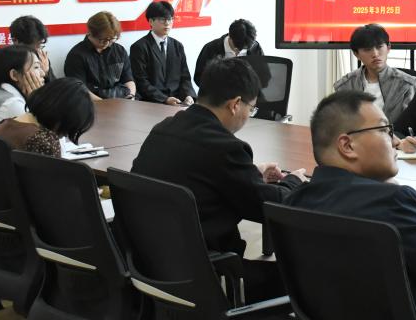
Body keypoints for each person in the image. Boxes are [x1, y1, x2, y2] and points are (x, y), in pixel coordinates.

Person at [285, 90, 416, 320]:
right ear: (347, 146)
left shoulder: (295, 201)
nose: (394, 141)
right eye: (384, 130)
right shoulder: (393, 203)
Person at [131, 58, 305, 300]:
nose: (249, 115)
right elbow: (268, 207)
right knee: (305, 277)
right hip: (207, 275)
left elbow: (205, 174)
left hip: (150, 265)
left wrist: (252, 172)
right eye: (251, 109)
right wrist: (294, 181)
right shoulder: (226, 148)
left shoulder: (164, 128)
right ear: (235, 104)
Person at [332, 23, 416, 124]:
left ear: (388, 48)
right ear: (356, 54)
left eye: (379, 47)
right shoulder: (345, 86)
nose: (375, 54)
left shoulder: (407, 85)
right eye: (368, 49)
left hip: (396, 134)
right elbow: (340, 123)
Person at [0, 77, 96, 157]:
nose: (64, 135)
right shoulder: (44, 141)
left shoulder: (5, 124)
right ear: (62, 117)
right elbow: (54, 177)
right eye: (68, 128)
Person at [129, 1, 196, 106]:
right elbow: (141, 82)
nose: (167, 23)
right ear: (151, 21)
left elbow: (185, 77)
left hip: (178, 101)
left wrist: (188, 95)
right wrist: (165, 99)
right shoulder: (139, 47)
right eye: (162, 19)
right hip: (152, 102)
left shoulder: (177, 46)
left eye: (170, 19)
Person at [64, 11, 136, 100]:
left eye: (111, 39)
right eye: (102, 40)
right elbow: (79, 89)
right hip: (91, 102)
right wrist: (104, 103)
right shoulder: (76, 55)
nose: (107, 43)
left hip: (120, 100)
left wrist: (131, 96)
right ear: (90, 33)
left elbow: (128, 79)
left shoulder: (119, 51)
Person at [194, 18, 266, 88]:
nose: (238, 52)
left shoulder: (255, 48)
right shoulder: (210, 48)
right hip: (219, 93)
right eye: (236, 48)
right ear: (230, 36)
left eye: (243, 49)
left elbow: (265, 76)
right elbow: (199, 78)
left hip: (247, 93)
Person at [2, 15, 55, 83]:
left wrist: (47, 73)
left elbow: (57, 88)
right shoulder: (2, 63)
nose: (36, 51)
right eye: (31, 47)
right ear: (15, 41)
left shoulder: (42, 59)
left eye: (39, 46)